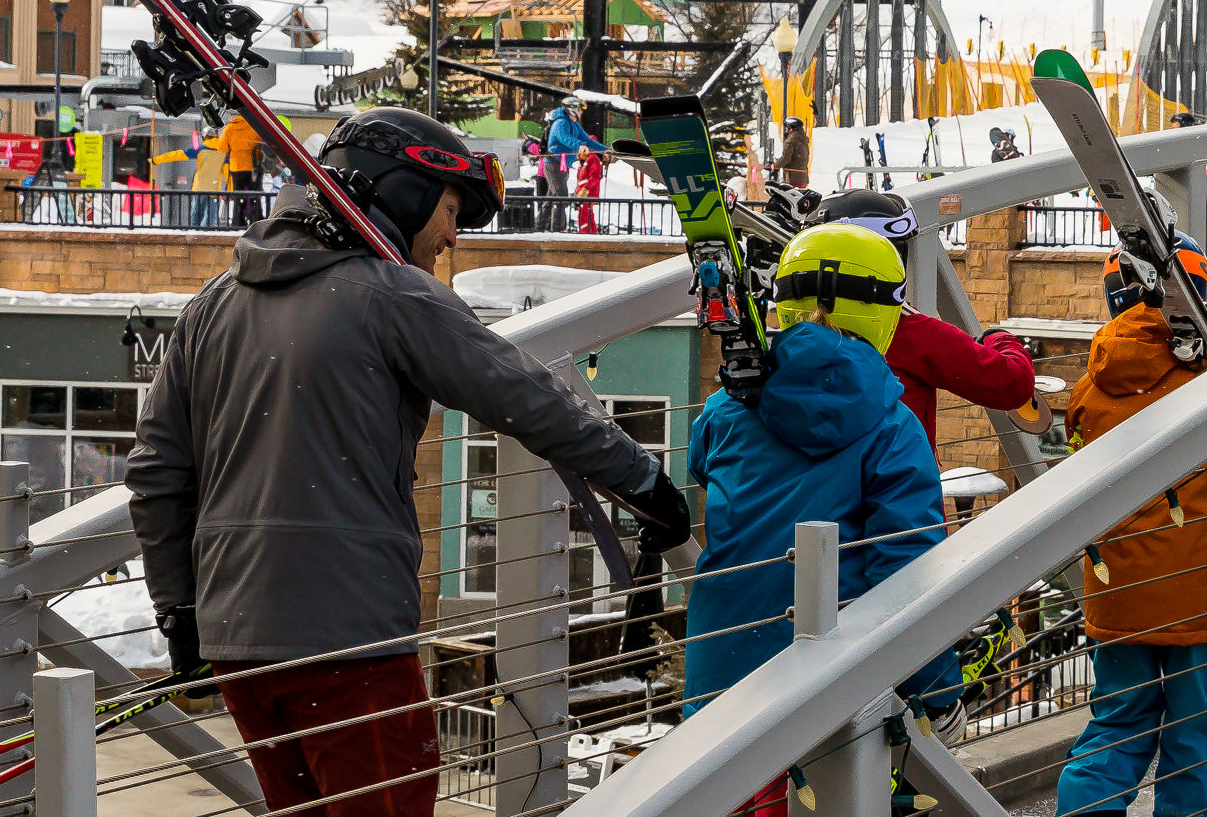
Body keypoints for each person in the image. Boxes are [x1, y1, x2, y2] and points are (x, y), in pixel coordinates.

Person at [126, 106, 695, 817]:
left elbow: (157, 473)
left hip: (239, 641)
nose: (453, 235)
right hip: (348, 637)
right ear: (399, 193)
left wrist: (180, 612)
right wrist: (641, 482)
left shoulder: (214, 303)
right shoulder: (390, 297)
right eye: (451, 209)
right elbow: (526, 397)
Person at [682, 223, 964, 817]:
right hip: (827, 687)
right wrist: (937, 689)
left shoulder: (725, 409)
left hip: (722, 675)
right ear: (882, 312)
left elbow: (701, 465)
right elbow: (905, 567)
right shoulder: (892, 427)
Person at [1052, 235, 1207, 817]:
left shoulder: (1091, 386)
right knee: (1194, 734)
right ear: (1199, 296)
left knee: (1116, 725)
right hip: (1201, 599)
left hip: (1118, 594)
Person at [806, 189, 1037, 442]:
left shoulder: (796, 331)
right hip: (897, 478)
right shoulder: (910, 333)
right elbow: (1013, 384)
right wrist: (1000, 338)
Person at [543, 96, 605, 232]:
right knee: (561, 197)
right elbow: (565, 138)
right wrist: (579, 146)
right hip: (553, 165)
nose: (581, 113)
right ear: (572, 110)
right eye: (579, 110)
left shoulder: (575, 125)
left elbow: (587, 141)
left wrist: (604, 150)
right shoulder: (561, 123)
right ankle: (557, 230)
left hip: (562, 166)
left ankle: (540, 226)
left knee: (552, 197)